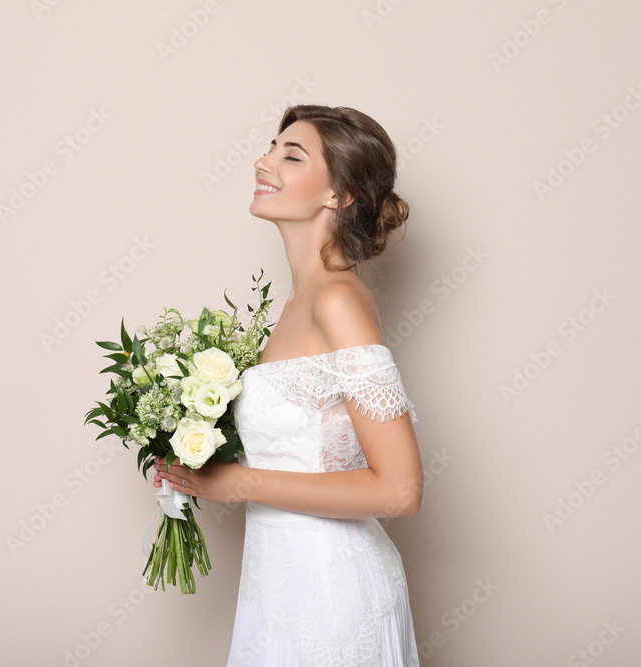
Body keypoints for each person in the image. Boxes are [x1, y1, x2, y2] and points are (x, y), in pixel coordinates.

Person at [152, 104, 423, 667]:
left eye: (290, 155)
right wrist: (194, 461)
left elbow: (400, 490)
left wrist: (241, 483)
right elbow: (307, 449)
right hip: (276, 587)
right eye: (271, 147)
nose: (264, 161)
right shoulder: (297, 304)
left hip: (331, 594)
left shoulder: (338, 300)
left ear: (339, 194)